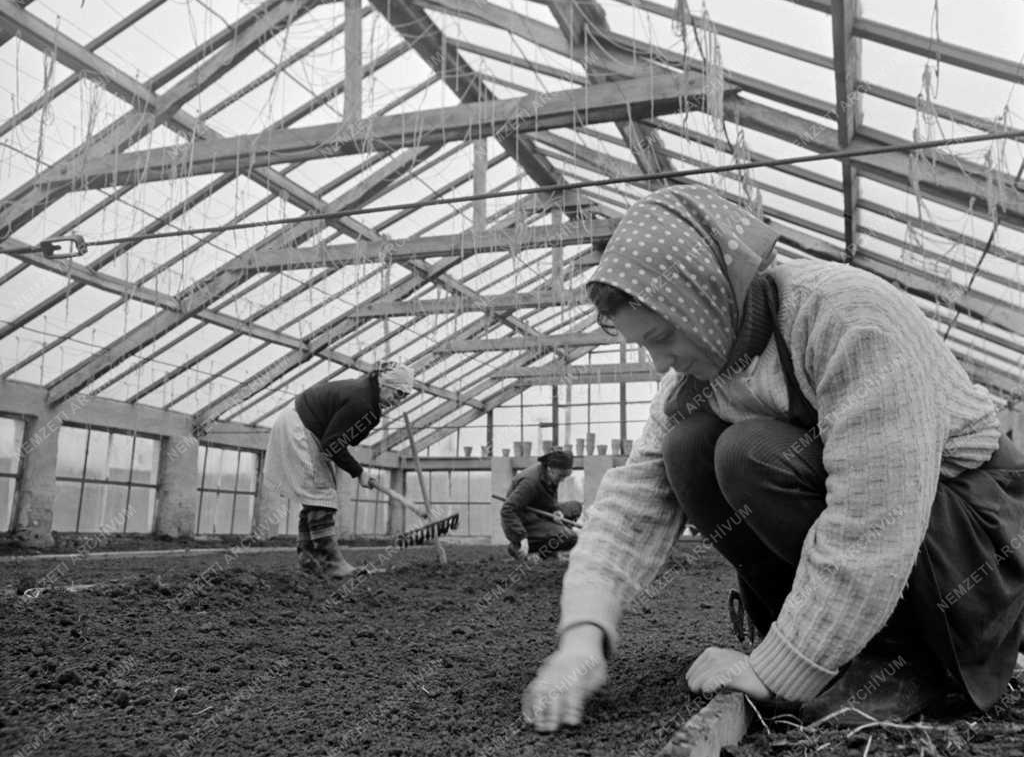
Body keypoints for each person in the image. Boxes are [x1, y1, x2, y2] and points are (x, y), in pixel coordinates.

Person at [521, 185, 1024, 731]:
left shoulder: (848, 320)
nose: (659, 360)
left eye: (663, 336)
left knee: (747, 454)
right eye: (646, 344)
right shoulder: (697, 376)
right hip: (903, 540)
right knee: (685, 447)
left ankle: (908, 657)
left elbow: (877, 515)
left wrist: (778, 672)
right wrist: (582, 636)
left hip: (968, 535)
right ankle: (820, 641)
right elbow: (631, 503)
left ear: (706, 297)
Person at [262, 361, 416, 578]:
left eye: (404, 396)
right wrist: (359, 471)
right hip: (301, 428)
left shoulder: (367, 396)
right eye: (398, 393)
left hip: (301, 425)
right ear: (386, 383)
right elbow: (333, 444)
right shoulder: (361, 401)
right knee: (322, 494)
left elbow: (342, 439)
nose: (398, 400)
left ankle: (309, 561)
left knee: (316, 496)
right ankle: (331, 564)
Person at [501, 450, 583, 560]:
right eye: (561, 476)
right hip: (524, 522)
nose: (562, 479)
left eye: (565, 476)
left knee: (575, 507)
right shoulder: (530, 483)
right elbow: (508, 510)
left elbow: (547, 503)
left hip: (540, 516)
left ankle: (552, 546)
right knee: (570, 537)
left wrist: (555, 512)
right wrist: (521, 536)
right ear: (550, 469)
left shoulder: (550, 477)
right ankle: (519, 547)